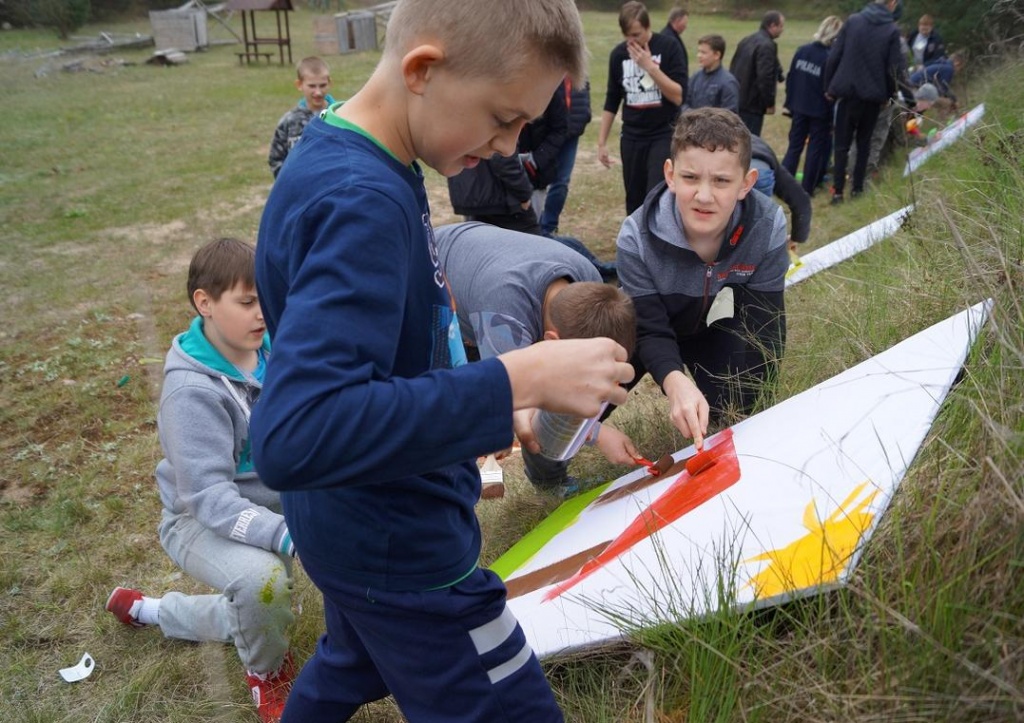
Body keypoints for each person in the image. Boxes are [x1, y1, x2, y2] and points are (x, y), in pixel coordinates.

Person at [251, 1, 633, 721]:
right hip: (404, 546)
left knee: (352, 660)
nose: (509, 146)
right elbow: (296, 431)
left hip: (346, 527)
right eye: (501, 117)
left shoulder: (354, 153)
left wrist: (466, 395)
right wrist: (512, 379)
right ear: (423, 70)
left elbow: (371, 359)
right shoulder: (362, 199)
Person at [104, 238, 297, 723]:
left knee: (261, 610)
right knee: (263, 584)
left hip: (273, 505)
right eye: (248, 302)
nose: (262, 314)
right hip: (198, 519)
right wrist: (283, 534)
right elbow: (209, 498)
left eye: (267, 300)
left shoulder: (273, 350)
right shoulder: (191, 392)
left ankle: (150, 612)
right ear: (204, 303)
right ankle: (269, 675)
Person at [614, 108, 788, 450]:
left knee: (744, 407)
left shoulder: (768, 227)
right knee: (590, 388)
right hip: (642, 326)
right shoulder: (635, 236)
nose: (704, 196)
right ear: (671, 174)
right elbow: (650, 326)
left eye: (722, 181)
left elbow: (766, 325)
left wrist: (757, 399)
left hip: (709, 324)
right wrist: (674, 379)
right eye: (691, 177)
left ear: (746, 183)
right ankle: (549, 469)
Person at [434, 221, 639, 493]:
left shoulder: (589, 280)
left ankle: (548, 481)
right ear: (551, 341)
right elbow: (522, 402)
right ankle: (465, 483)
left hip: (479, 262)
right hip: (432, 273)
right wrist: (599, 435)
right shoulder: (503, 318)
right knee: (466, 398)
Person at [598, 0, 688, 215]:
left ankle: (657, 243)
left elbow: (678, 96)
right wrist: (601, 142)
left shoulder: (668, 47)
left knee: (656, 196)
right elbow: (612, 99)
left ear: (648, 27)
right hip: (631, 137)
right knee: (634, 197)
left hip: (661, 134)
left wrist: (650, 67)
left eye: (637, 34)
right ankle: (636, 244)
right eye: (627, 36)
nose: (632, 41)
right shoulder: (619, 55)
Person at [823, 0, 904, 204]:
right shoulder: (891, 30)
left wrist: (829, 87)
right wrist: (890, 94)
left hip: (847, 94)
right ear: (892, 3)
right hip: (872, 97)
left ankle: (838, 192)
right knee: (864, 144)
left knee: (841, 145)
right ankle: (857, 188)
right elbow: (894, 69)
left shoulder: (853, 21)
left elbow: (835, 55)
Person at [781, 16, 844, 196]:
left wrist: (790, 103)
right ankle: (807, 188)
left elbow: (791, 79)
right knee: (814, 151)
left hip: (799, 106)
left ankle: (783, 184)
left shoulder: (802, 50)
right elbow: (831, 89)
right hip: (819, 111)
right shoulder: (830, 58)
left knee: (794, 146)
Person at [540, 77, 592, 236]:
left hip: (571, 130)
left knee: (561, 182)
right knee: (536, 181)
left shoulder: (575, 62)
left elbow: (582, 87)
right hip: (545, 131)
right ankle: (531, 226)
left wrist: (584, 115)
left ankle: (548, 227)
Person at [268, 56, 334, 179]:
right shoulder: (290, 121)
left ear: (329, 83)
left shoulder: (340, 117)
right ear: (299, 85)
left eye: (323, 85)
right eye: (312, 86)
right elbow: (276, 159)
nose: (318, 92)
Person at [447, 153, 542, 234]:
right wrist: (524, 195)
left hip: (471, 193)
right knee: (533, 242)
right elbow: (504, 158)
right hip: (499, 199)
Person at [750, 134, 812, 251]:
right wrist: (796, 238)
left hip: (737, 167)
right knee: (758, 226)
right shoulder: (760, 146)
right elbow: (801, 200)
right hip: (763, 169)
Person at [729, 11, 785, 136]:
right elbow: (765, 77)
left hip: (738, 98)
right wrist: (769, 102)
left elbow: (734, 65)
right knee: (750, 140)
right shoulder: (766, 46)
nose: (782, 30)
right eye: (781, 26)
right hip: (752, 104)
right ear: (772, 25)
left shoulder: (747, 40)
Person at [685, 34, 739, 113]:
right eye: (699, 52)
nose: (699, 56)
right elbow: (684, 102)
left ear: (717, 55)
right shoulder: (695, 77)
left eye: (703, 53)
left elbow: (729, 114)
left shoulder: (728, 83)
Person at [659, 5, 689, 78]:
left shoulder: (667, 35)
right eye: (684, 23)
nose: (685, 26)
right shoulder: (670, 39)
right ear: (677, 21)